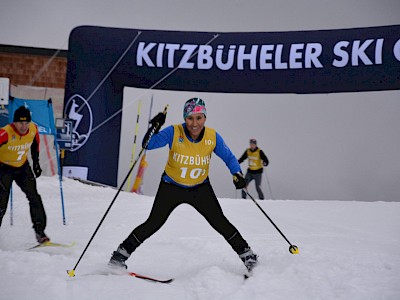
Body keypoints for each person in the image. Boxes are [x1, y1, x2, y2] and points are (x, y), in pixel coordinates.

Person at [109, 98, 258, 271]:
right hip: (171, 187)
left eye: (199, 118)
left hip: (199, 188)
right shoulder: (174, 132)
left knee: (220, 222)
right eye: (190, 118)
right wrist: (154, 128)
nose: (194, 123)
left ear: (205, 118)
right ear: (185, 118)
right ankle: (120, 255)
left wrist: (237, 173)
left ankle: (247, 255)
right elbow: (148, 145)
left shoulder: (212, 136)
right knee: (153, 223)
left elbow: (229, 157)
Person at [0, 106, 49, 243]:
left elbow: (35, 144)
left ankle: (40, 232)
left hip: (22, 167)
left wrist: (36, 163)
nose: (24, 126)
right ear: (14, 122)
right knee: (1, 203)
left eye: (26, 122)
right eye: (21, 123)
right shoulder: (5, 133)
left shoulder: (33, 129)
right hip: (4, 168)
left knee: (34, 196)